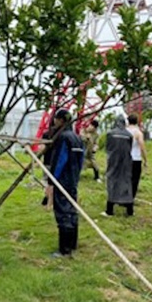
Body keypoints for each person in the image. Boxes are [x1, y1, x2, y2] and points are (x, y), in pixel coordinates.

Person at [48, 109, 84, 257]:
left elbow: (60, 161)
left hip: (62, 180)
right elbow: (81, 161)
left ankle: (64, 250)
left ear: (61, 120)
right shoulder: (77, 137)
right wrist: (76, 176)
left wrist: (51, 181)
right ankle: (73, 243)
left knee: (63, 213)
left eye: (56, 119)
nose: (54, 122)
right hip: (73, 179)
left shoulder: (63, 138)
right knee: (72, 210)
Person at [102, 116, 134, 217]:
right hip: (126, 162)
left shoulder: (110, 134)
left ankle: (109, 210)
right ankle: (130, 210)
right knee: (126, 182)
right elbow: (130, 148)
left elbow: (108, 148)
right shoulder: (129, 135)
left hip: (113, 161)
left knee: (112, 182)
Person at [126, 114, 147, 199]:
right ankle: (131, 198)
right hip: (136, 159)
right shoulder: (138, 133)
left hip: (125, 158)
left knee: (125, 178)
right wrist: (145, 159)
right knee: (134, 180)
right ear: (137, 121)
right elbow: (142, 146)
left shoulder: (124, 131)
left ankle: (123, 197)